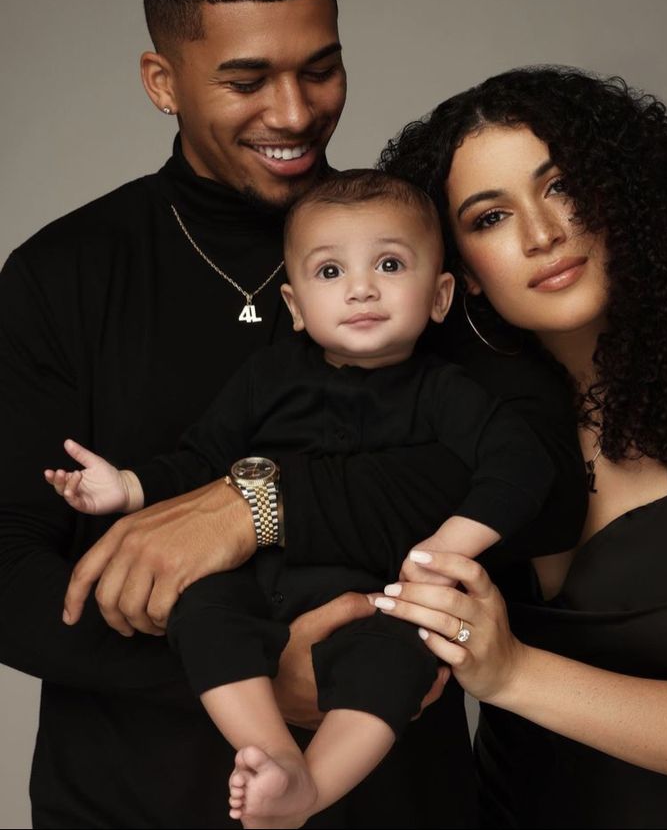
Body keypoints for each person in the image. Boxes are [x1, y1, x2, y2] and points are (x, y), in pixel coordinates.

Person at [0, 0, 586, 826]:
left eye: (320, 67)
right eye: (246, 79)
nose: (295, 112)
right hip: (123, 802)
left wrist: (251, 505)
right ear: (163, 82)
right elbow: (8, 571)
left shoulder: (403, 245)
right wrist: (259, 671)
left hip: (396, 804)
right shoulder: (61, 274)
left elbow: (543, 482)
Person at [46, 169, 556, 829]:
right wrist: (129, 486)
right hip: (257, 589)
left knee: (402, 649)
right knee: (200, 608)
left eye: (391, 264)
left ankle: (314, 787)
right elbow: (202, 459)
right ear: (292, 305)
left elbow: (522, 464)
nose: (361, 287)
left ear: (439, 295)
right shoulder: (266, 377)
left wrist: (447, 545)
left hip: (374, 600)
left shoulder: (445, 393)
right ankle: (277, 756)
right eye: (329, 272)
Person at [372, 65, 667, 828]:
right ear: (459, 276)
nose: (543, 234)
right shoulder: (462, 429)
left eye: (562, 185)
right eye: (489, 218)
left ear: (624, 195)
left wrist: (512, 671)